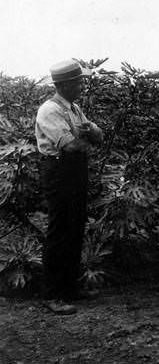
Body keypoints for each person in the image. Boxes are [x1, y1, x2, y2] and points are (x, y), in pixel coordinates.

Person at [35, 59, 104, 315]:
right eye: (78, 81)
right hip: (59, 171)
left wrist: (91, 132)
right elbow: (71, 145)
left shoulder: (73, 108)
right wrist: (89, 134)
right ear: (63, 84)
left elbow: (97, 136)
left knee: (75, 228)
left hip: (75, 170)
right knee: (59, 230)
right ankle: (52, 294)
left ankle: (70, 287)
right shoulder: (50, 110)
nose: (82, 85)